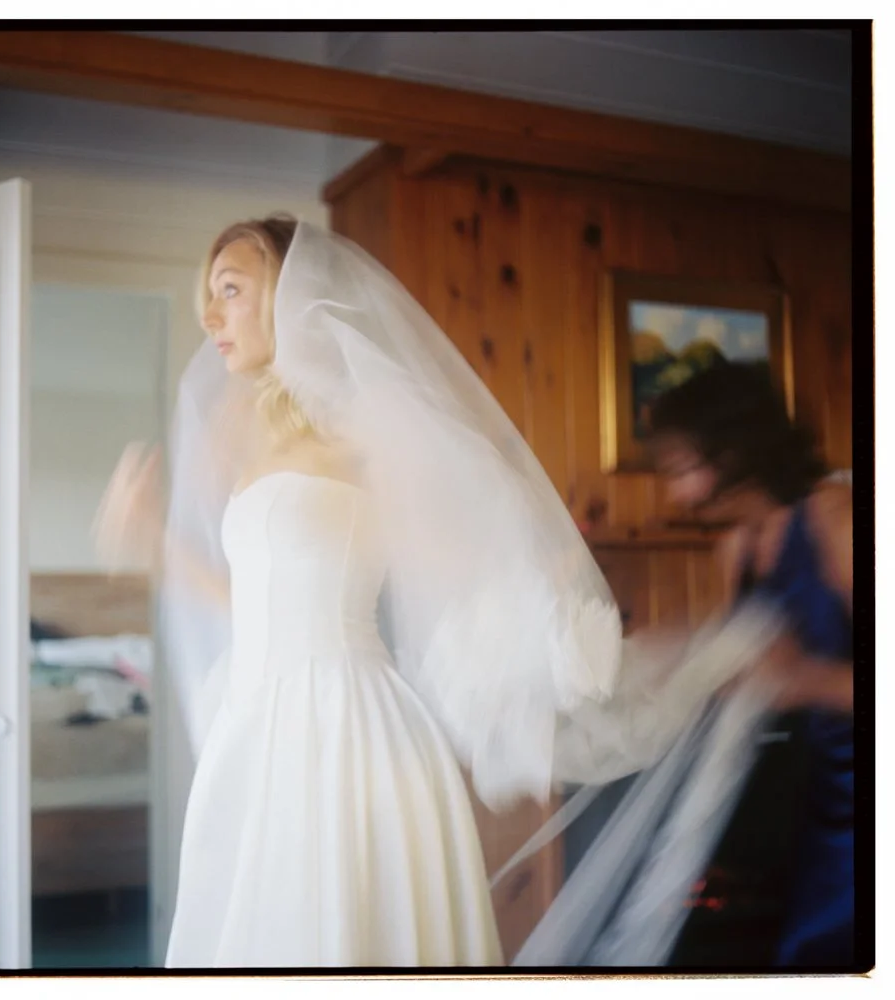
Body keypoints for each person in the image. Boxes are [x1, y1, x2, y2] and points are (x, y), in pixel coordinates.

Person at [94, 217, 781, 969]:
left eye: (230, 290)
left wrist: (540, 604)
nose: (209, 315)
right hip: (259, 733)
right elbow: (259, 606)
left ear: (292, 294)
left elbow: (461, 560)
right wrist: (153, 541)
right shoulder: (248, 434)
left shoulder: (364, 429)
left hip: (348, 733)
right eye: (209, 294)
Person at [649, 362, 854, 967]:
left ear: (735, 450)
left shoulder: (837, 519)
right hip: (787, 801)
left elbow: (797, 677)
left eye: (682, 470)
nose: (675, 495)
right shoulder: (733, 549)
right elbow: (746, 669)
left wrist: (806, 680)